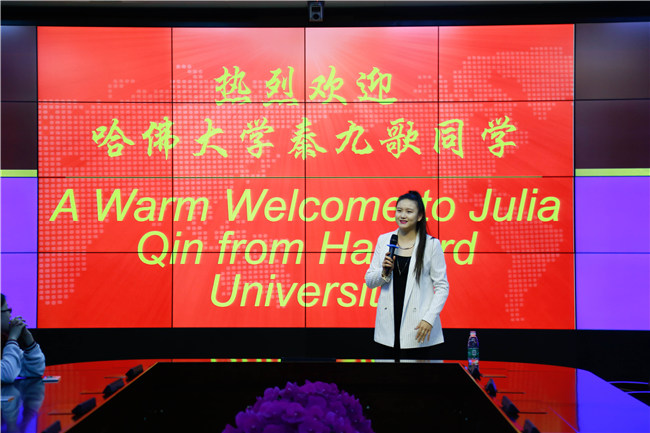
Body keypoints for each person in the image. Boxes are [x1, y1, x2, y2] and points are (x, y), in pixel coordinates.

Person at [365, 190, 450, 359]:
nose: (402, 215)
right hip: (388, 326)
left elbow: (442, 287)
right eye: (399, 210)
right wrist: (383, 273)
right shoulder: (384, 240)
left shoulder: (431, 245)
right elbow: (369, 280)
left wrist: (429, 319)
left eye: (409, 211)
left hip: (418, 325)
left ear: (419, 216)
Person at [1, 294, 46, 383]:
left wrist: (28, 340)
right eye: (7, 310)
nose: (10, 315)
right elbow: (6, 374)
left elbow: (35, 370)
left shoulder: (2, 339)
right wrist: (12, 339)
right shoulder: (8, 341)